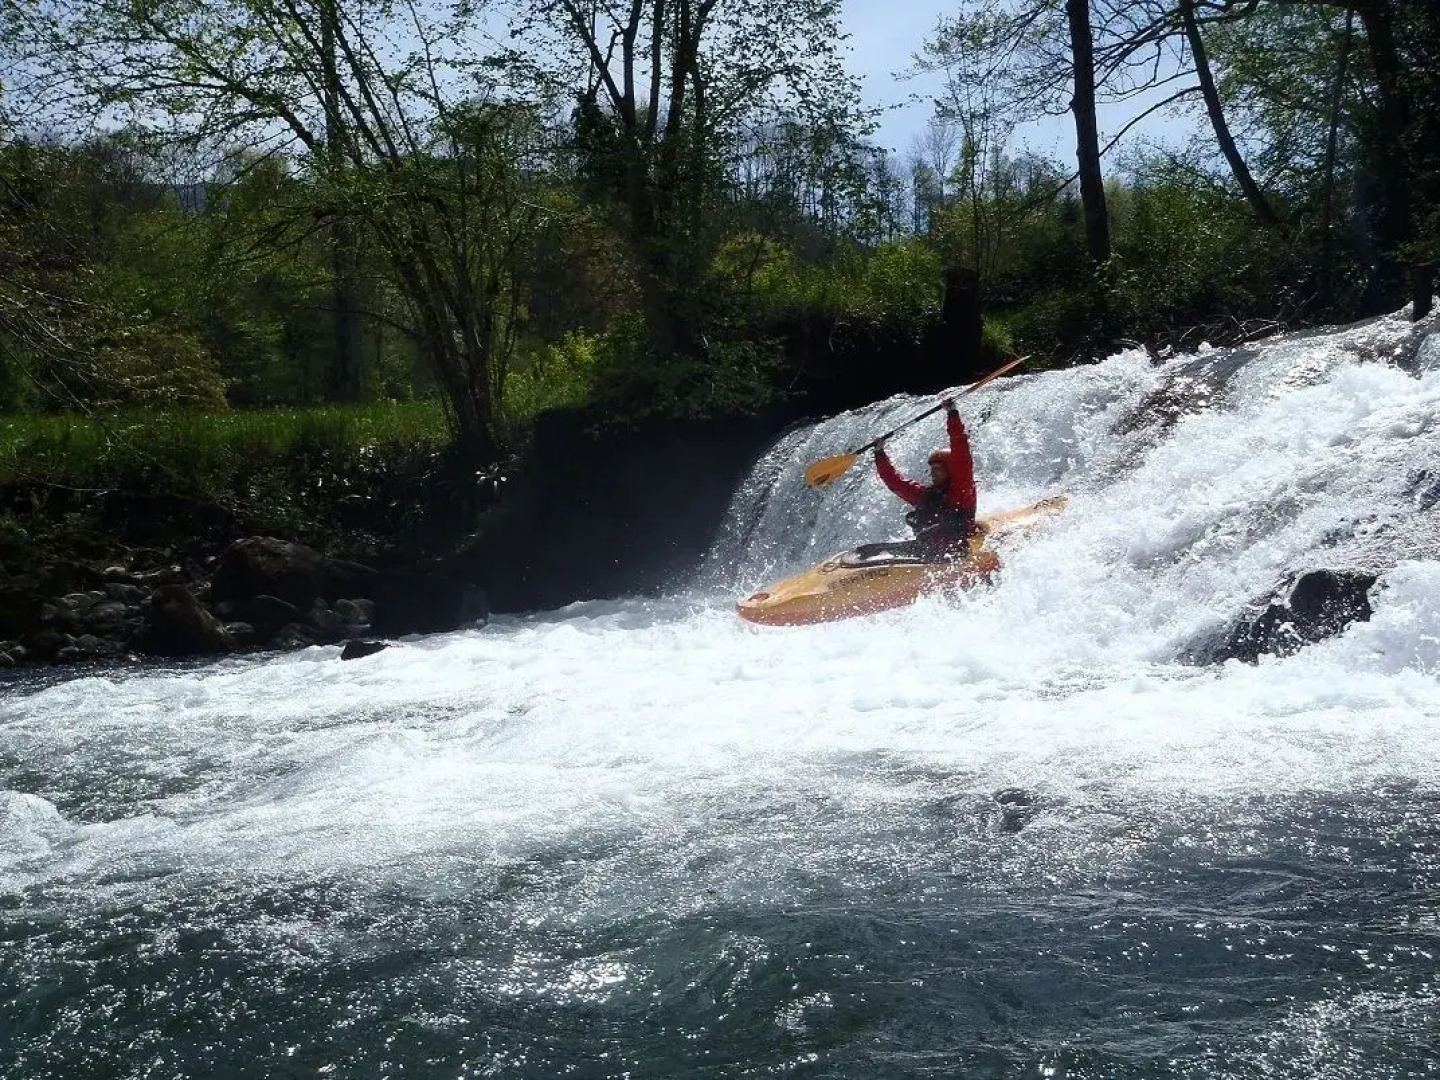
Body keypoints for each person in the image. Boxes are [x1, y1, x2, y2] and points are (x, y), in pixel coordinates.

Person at [871, 397, 978, 559]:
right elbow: (895, 483)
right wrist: (879, 454)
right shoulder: (926, 495)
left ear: (950, 471)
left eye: (937, 469)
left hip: (958, 549)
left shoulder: (962, 489)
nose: (933, 473)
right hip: (931, 550)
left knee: (947, 524)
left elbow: (960, 449)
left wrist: (952, 414)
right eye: (931, 469)